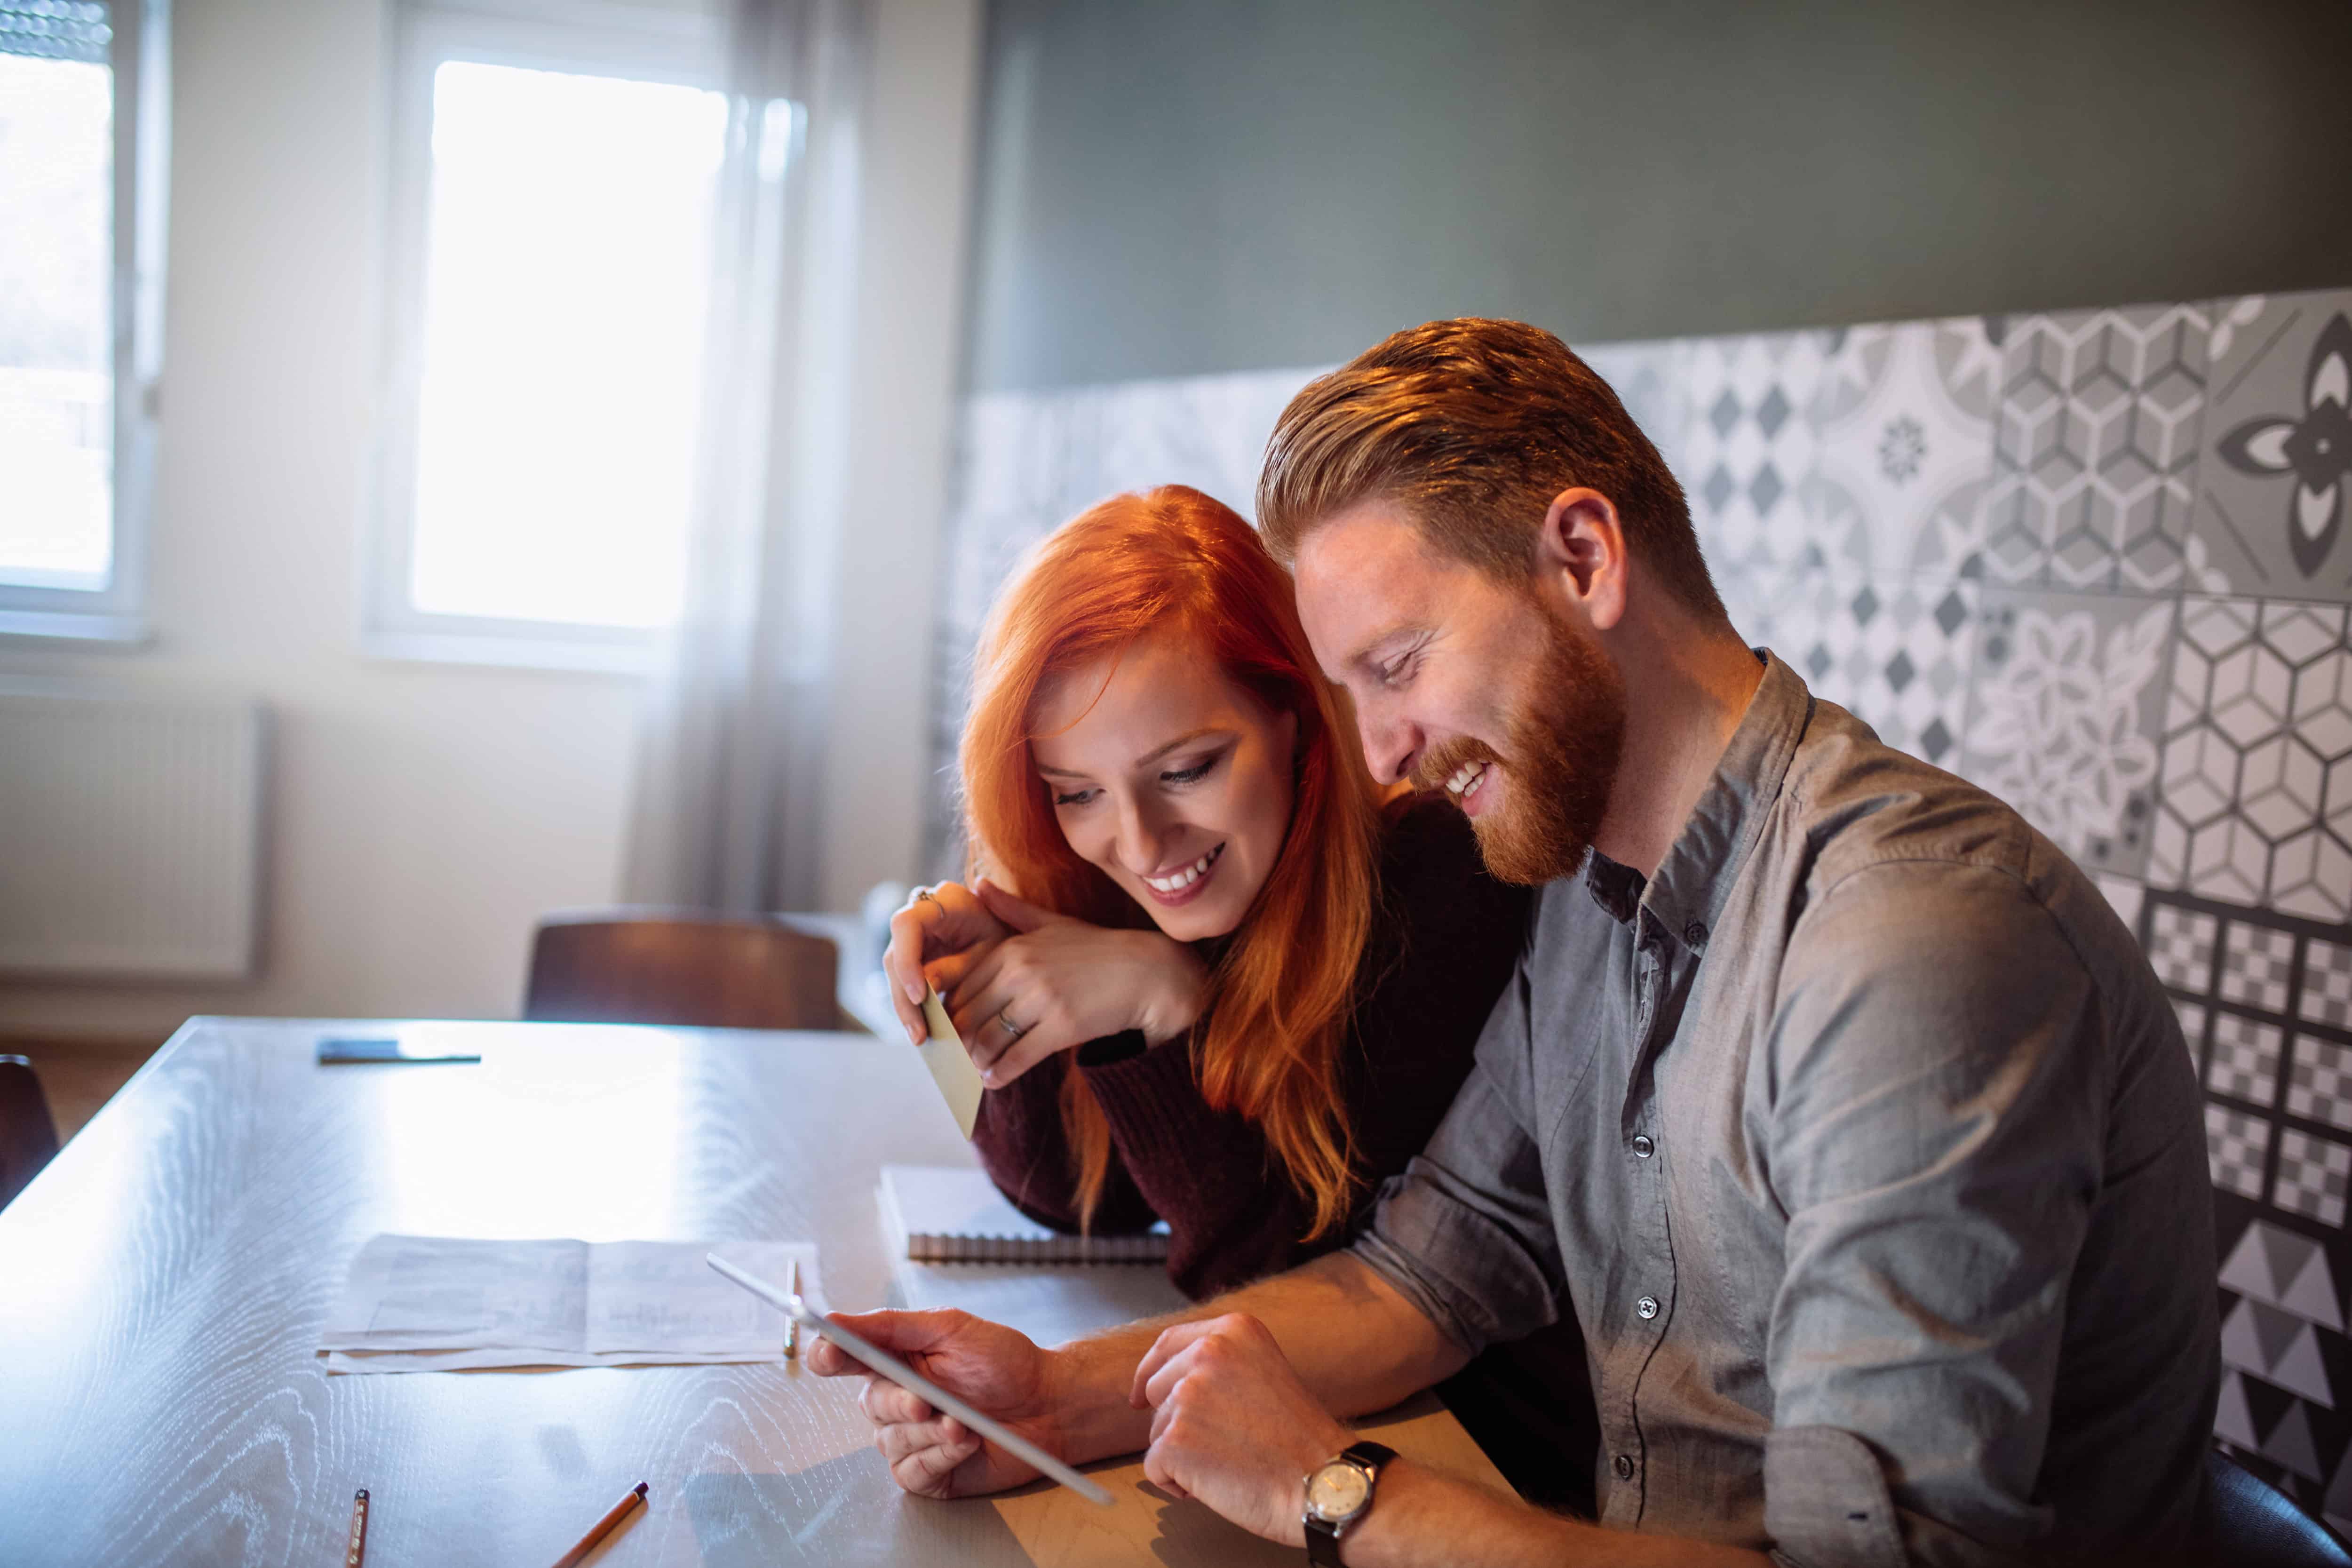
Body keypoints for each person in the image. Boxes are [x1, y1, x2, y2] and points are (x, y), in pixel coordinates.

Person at [817, 319, 2221, 1567]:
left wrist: (1333, 1488)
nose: (1381, 753)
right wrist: (1056, 1396)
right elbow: (1425, 1275)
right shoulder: (1582, 888)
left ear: (1584, 559)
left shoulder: (1911, 948)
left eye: (1399, 664)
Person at [883, 484, 1593, 1507]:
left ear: (1299, 715)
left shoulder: (1437, 879)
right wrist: (979, 992)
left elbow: (1269, 1289)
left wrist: (1166, 1009)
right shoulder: (1128, 886)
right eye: (1076, 792)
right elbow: (1066, 1196)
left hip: (1483, 1467)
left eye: (1187, 768)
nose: (1137, 840)